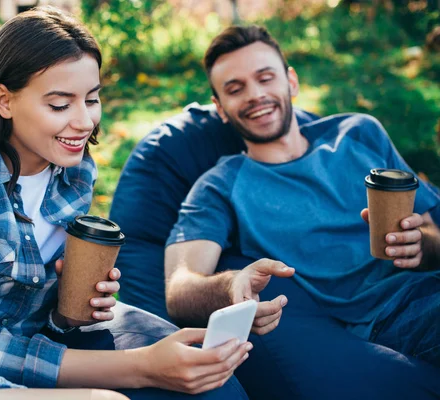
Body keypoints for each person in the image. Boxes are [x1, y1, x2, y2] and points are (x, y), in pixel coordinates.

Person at [0, 8, 251, 399]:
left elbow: (33, 322)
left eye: (91, 99)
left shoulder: (74, 175)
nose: (85, 121)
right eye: (59, 104)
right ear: (4, 101)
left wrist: (69, 312)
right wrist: (143, 364)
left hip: (11, 367)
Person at [165, 25, 440, 368]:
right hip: (393, 314)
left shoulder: (360, 132)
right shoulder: (219, 185)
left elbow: (432, 231)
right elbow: (178, 288)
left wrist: (421, 242)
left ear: (290, 81)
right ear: (219, 108)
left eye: (265, 78)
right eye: (236, 89)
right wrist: (231, 283)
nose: (255, 95)